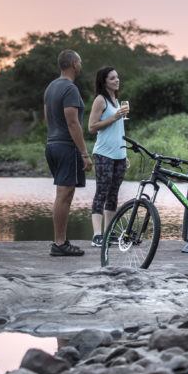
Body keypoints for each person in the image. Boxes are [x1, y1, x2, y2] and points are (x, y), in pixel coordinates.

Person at [44, 49, 92, 257]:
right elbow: (73, 122)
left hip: (52, 143)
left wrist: (55, 136)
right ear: (73, 63)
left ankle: (60, 241)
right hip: (66, 146)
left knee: (62, 194)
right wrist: (84, 153)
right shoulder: (70, 89)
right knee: (64, 195)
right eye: (79, 61)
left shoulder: (51, 87)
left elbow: (47, 117)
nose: (81, 65)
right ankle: (60, 243)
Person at [88, 66, 129, 246]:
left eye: (117, 77)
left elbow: (119, 130)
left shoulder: (116, 100)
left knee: (113, 195)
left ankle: (108, 233)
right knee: (102, 193)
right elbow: (91, 127)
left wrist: (124, 152)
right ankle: (97, 235)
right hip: (104, 153)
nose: (116, 80)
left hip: (119, 154)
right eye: (112, 78)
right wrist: (114, 117)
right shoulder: (100, 100)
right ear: (104, 81)